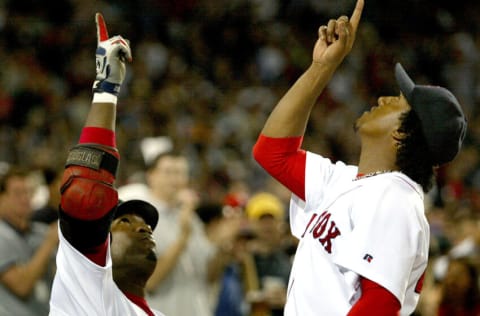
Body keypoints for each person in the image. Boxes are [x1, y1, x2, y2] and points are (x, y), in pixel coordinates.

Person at [252, 0, 468, 315]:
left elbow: (380, 304)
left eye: (396, 101)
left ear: (401, 134)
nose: (382, 98)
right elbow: (273, 152)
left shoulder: (396, 199)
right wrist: (322, 67)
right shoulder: (347, 181)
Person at [48, 13, 164, 316]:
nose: (142, 228)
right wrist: (107, 89)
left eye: (145, 224)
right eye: (124, 221)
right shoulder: (86, 284)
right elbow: (86, 193)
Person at [119, 150, 217, 316]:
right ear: (151, 176)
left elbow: (209, 276)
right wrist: (183, 238)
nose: (175, 179)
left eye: (180, 173)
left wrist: (224, 248)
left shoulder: (190, 217)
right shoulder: (140, 220)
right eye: (168, 172)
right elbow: (150, 282)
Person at [0, 166, 58, 316]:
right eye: (18, 193)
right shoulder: (2, 234)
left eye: (28, 192)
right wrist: (49, 243)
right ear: (2, 198)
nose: (25, 198)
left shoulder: (41, 231)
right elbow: (21, 286)